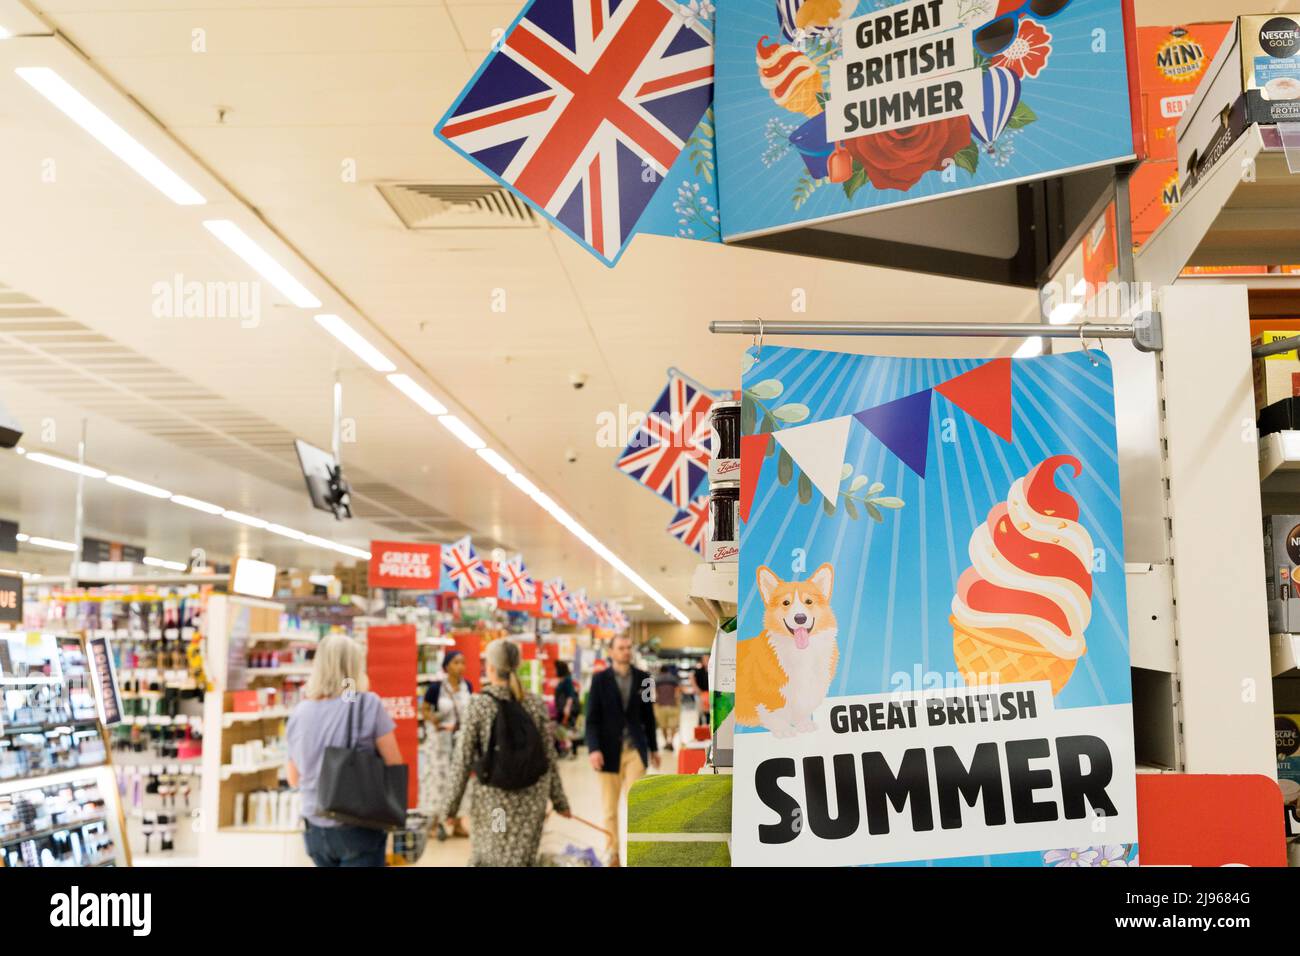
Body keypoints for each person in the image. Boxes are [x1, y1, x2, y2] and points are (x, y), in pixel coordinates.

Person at [439, 638, 570, 866]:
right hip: (531, 800)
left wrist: (450, 808)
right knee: (521, 858)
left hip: (495, 800)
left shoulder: (479, 705)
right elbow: (549, 756)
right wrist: (560, 802)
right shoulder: (534, 703)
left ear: (489, 667)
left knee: (494, 854)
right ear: (517, 666)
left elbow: (463, 760)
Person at [286, 634, 403, 868]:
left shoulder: (299, 712)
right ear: (355, 667)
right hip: (357, 824)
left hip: (314, 830)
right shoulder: (367, 704)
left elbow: (293, 778)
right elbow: (394, 763)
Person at [585, 633, 658, 866]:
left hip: (635, 749)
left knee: (636, 803)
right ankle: (613, 854)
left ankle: (638, 851)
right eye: (621, 647)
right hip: (608, 750)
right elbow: (591, 719)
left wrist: (654, 748)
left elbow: (649, 716)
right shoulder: (599, 680)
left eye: (629, 647)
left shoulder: (645, 679)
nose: (626, 651)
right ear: (611, 652)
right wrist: (593, 749)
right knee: (609, 807)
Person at [421, 651, 473, 839]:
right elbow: (425, 708)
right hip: (440, 744)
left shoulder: (468, 686)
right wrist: (433, 719)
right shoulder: (436, 688)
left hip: (461, 741)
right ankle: (435, 822)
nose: (460, 666)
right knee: (439, 781)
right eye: (456, 662)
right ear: (447, 666)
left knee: (461, 781)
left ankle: (458, 822)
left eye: (463, 662)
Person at [553, 660, 581, 758]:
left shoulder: (567, 680)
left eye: (555, 669)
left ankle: (570, 748)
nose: (554, 671)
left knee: (563, 728)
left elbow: (570, 695)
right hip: (562, 708)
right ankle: (568, 748)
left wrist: (567, 708)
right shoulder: (563, 680)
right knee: (563, 729)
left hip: (567, 709)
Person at [653, 665, 681, 752]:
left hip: (661, 705)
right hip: (672, 705)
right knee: (673, 726)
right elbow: (677, 692)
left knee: (663, 726)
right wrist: (677, 702)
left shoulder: (657, 679)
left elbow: (656, 694)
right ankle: (671, 742)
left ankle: (666, 742)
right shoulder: (674, 679)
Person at [693, 654, 711, 727]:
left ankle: (709, 729)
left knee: (709, 713)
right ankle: (701, 731)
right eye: (705, 659)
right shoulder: (698, 671)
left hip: (710, 694)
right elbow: (692, 678)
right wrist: (696, 688)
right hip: (701, 694)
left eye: (708, 659)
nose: (706, 661)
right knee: (701, 713)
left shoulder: (712, 670)